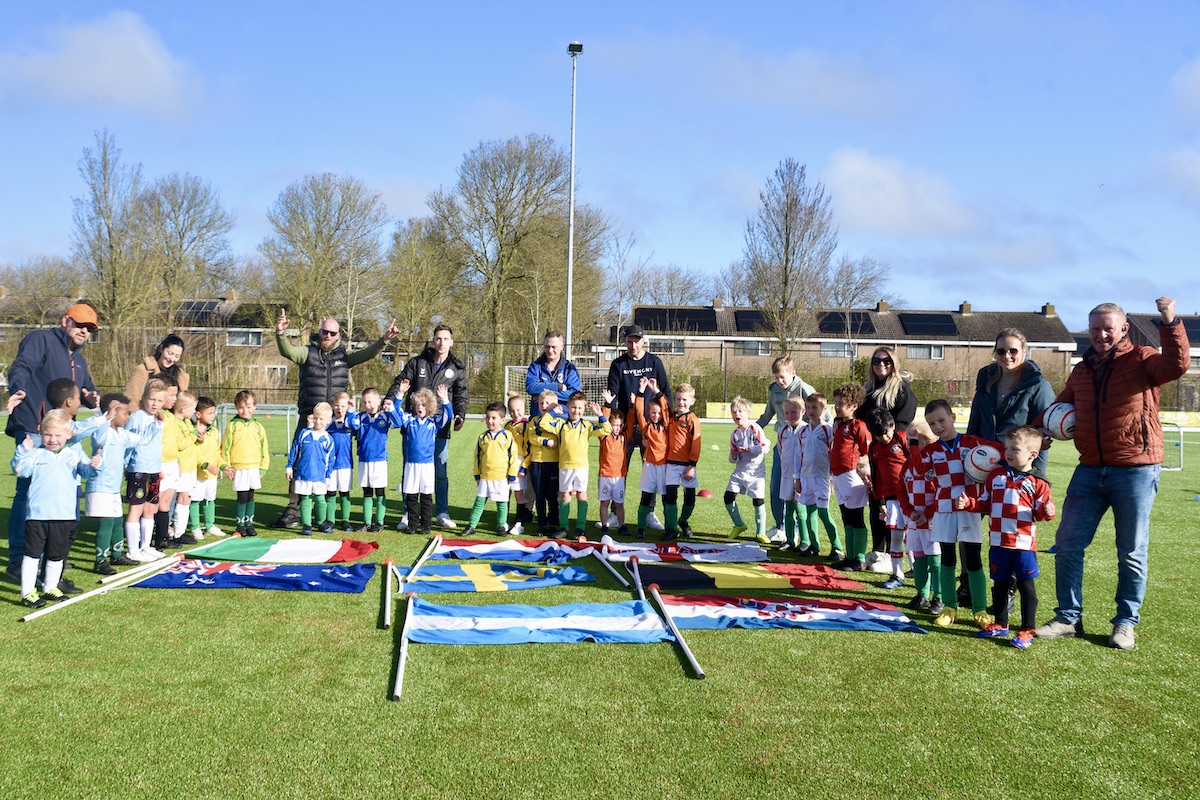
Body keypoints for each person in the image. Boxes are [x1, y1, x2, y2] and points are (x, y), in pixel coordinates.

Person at [1035, 297, 1188, 650]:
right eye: (1095, 329)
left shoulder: (1143, 359)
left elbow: (1177, 365)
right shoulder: (1082, 370)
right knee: (1068, 545)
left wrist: (1169, 322)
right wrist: (1039, 429)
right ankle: (1068, 618)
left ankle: (1125, 623)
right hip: (1089, 469)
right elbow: (1060, 405)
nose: (1101, 334)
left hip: (1136, 469)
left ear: (1124, 329)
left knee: (1130, 551)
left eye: (1108, 328)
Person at [274, 309, 399, 528]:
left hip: (334, 420)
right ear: (319, 332)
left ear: (338, 335)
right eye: (325, 332)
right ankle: (293, 511)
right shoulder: (307, 353)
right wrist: (281, 334)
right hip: (310, 418)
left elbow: (367, 353)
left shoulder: (344, 356)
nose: (328, 336)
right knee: (302, 462)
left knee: (331, 463)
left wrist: (384, 341)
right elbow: (288, 351)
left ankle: (323, 510)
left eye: (332, 333)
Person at [5, 303, 100, 578]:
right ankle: (19, 558)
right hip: (36, 430)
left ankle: (52, 555)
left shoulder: (79, 360)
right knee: (28, 492)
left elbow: (85, 388)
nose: (84, 331)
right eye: (80, 325)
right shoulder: (41, 340)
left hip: (65, 434)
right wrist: (18, 388)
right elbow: (22, 366)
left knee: (64, 489)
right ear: (65, 321)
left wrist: (91, 396)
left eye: (90, 329)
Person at [956, 426, 1056, 649]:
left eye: (1015, 449)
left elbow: (1041, 512)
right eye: (1007, 448)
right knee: (999, 584)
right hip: (998, 542)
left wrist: (1048, 511)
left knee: (1026, 587)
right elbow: (985, 502)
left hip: (1023, 545)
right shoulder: (996, 475)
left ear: (1032, 454)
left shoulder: (1037, 481)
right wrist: (970, 503)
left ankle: (1027, 629)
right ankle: (1001, 623)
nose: (1008, 452)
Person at [917, 399, 1002, 629]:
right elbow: (921, 470)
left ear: (953, 417)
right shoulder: (931, 451)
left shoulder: (972, 443)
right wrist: (918, 446)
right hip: (944, 509)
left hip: (968, 508)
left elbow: (1000, 452)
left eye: (941, 420)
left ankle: (980, 610)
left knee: (973, 559)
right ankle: (949, 607)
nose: (938, 427)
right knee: (947, 558)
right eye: (932, 424)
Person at [11, 410, 100, 608]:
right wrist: (22, 451)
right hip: (37, 516)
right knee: (32, 555)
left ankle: (50, 587)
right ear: (40, 432)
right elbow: (20, 470)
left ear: (69, 434)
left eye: (58, 435)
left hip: (64, 515)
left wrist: (95, 466)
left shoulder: (74, 453)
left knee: (56, 554)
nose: (53, 439)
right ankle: (27, 592)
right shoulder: (35, 454)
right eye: (48, 434)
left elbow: (88, 473)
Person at [386, 323, 467, 530]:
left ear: (451, 342)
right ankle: (408, 513)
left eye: (446, 339)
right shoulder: (417, 362)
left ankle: (441, 512)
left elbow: (460, 395)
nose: (441, 342)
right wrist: (390, 399)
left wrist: (460, 415)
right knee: (409, 470)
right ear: (433, 340)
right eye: (438, 338)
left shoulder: (457, 368)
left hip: (438, 427)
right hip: (414, 429)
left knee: (439, 471)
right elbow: (400, 382)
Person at [856, 346, 919, 573]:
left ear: (894, 363)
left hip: (894, 455)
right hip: (874, 452)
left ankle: (901, 557)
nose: (881, 365)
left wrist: (889, 441)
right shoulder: (868, 389)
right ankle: (879, 550)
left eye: (886, 361)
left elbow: (903, 423)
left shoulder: (901, 388)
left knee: (896, 507)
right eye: (876, 361)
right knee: (876, 501)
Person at [606, 324, 672, 530]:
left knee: (651, 471)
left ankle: (650, 513)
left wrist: (668, 419)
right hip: (625, 426)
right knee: (618, 469)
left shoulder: (654, 362)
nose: (633, 345)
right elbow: (612, 395)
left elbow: (665, 391)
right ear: (625, 342)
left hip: (650, 428)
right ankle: (615, 513)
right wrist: (612, 424)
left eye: (637, 341)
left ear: (643, 341)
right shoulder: (618, 364)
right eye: (629, 341)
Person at [967, 328, 1056, 477]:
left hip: (1017, 468)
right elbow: (974, 426)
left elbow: (1041, 438)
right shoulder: (985, 382)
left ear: (1024, 351)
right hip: (983, 463)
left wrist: (1037, 476)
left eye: (1013, 351)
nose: (1007, 356)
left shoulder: (1039, 386)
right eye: (1001, 351)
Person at [757, 356, 819, 542]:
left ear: (793, 373)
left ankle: (799, 529)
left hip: (803, 445)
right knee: (776, 486)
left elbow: (821, 414)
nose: (779, 381)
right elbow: (767, 415)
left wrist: (818, 437)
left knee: (799, 488)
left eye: (782, 377)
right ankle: (780, 526)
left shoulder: (805, 389)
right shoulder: (774, 391)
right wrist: (752, 429)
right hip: (782, 445)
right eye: (776, 377)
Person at [389, 384, 452, 537]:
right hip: (411, 465)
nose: (420, 407)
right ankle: (412, 524)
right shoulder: (409, 420)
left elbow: (448, 416)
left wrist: (445, 399)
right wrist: (399, 394)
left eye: (423, 405)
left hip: (427, 465)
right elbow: (396, 415)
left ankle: (426, 525)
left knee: (426, 497)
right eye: (417, 405)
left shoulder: (433, 422)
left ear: (429, 407)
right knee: (411, 496)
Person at [547, 392, 610, 538]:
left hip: (581, 467)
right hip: (565, 466)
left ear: (585, 409)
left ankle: (580, 528)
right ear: (568, 406)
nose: (576, 411)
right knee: (564, 496)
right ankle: (564, 528)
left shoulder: (587, 425)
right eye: (573, 407)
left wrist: (600, 414)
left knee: (581, 494)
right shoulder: (561, 424)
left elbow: (607, 430)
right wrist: (553, 412)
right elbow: (543, 423)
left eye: (580, 408)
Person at [829, 383, 873, 571]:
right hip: (838, 475)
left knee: (856, 517)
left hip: (851, 475)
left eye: (841, 404)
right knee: (846, 517)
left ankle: (859, 559)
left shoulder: (858, 426)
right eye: (836, 403)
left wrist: (863, 470)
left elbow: (867, 451)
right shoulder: (838, 424)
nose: (837, 407)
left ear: (854, 406)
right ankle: (849, 556)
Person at [865, 409, 910, 589]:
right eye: (878, 435)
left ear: (892, 426)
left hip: (910, 497)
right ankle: (897, 574)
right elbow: (876, 476)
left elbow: (915, 463)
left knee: (912, 538)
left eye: (885, 433)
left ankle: (918, 570)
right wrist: (880, 502)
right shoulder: (873, 448)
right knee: (896, 536)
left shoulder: (902, 438)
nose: (883, 438)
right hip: (891, 499)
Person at [124, 380, 168, 561]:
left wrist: (159, 468)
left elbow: (155, 445)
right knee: (136, 509)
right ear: (143, 398)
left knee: (150, 509)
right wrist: (126, 466)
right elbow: (128, 442)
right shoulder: (137, 418)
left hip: (153, 469)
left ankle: (145, 546)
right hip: (139, 469)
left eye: (159, 400)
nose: (155, 404)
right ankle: (132, 550)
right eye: (152, 399)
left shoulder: (159, 419)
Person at [464, 402, 520, 536]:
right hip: (485, 476)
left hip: (502, 476)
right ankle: (471, 525)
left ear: (502, 419)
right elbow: (477, 456)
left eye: (494, 418)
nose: (490, 421)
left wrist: (512, 474)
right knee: (479, 502)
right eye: (488, 417)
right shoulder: (483, 437)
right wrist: (477, 474)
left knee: (502, 503)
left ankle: (501, 526)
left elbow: (513, 456)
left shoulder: (507, 436)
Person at [797, 394, 843, 561]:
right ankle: (814, 545)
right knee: (810, 512)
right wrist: (797, 477)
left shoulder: (827, 430)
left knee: (823, 512)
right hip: (806, 476)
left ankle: (837, 547)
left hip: (822, 477)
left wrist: (831, 478)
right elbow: (798, 455)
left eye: (815, 407)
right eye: (808, 407)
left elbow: (833, 454)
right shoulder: (802, 431)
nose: (811, 411)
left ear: (824, 409)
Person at [221, 390, 270, 537]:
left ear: (254, 406)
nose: (245, 411)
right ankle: (240, 524)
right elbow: (225, 448)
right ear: (236, 407)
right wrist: (227, 466)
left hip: (254, 467)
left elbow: (264, 448)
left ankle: (249, 523)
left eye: (248, 407)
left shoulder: (258, 426)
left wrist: (263, 468)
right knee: (242, 496)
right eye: (241, 407)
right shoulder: (232, 426)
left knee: (251, 496)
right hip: (239, 468)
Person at [349, 388, 399, 532]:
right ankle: (367, 522)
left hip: (379, 460)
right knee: (367, 491)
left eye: (370, 402)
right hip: (364, 459)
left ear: (378, 401)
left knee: (380, 491)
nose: (367, 405)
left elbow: (398, 423)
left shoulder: (385, 416)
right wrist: (351, 410)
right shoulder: (360, 417)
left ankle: (379, 522)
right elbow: (352, 425)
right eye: (364, 402)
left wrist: (392, 408)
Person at [724, 395, 770, 543]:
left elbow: (764, 447)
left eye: (740, 411)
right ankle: (739, 525)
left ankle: (760, 533)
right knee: (728, 497)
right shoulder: (734, 434)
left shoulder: (755, 428)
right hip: (739, 472)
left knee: (758, 501)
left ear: (748, 413)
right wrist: (734, 455)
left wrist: (750, 449)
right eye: (734, 412)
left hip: (756, 472)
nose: (736, 414)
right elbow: (732, 459)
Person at [286, 402, 335, 536]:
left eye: (321, 419)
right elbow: (294, 450)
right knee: (306, 499)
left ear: (328, 420)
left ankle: (321, 522)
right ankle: (307, 525)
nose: (318, 421)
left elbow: (330, 461)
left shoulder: (328, 439)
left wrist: (327, 477)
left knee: (320, 500)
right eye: (316, 418)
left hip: (319, 476)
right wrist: (289, 467)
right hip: (303, 474)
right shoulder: (304, 433)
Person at [634, 378, 672, 540]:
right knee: (646, 496)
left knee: (666, 498)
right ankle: (641, 528)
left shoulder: (667, 425)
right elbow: (638, 410)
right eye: (653, 412)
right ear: (649, 412)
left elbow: (666, 406)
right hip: (649, 465)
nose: (656, 415)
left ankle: (670, 527)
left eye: (658, 413)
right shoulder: (646, 426)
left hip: (664, 466)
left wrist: (655, 389)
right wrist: (642, 390)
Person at [663, 383, 702, 541]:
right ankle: (672, 529)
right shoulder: (671, 417)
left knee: (690, 499)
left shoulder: (692, 420)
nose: (681, 402)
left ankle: (683, 521)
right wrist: (655, 389)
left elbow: (696, 444)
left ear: (692, 401)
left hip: (688, 465)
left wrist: (692, 465)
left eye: (685, 399)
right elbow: (663, 403)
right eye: (678, 399)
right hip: (671, 464)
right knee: (670, 496)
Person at [190, 397, 225, 539]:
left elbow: (217, 453)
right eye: (209, 413)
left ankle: (209, 526)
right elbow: (192, 454)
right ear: (198, 414)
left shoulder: (214, 431)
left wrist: (224, 466)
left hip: (211, 475)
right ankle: (195, 528)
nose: (213, 416)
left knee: (210, 499)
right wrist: (205, 465)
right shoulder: (193, 432)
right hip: (197, 475)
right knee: (195, 500)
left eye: (213, 413)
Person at [775, 396, 806, 551]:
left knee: (801, 509)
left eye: (794, 412)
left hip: (803, 476)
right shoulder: (782, 431)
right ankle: (789, 540)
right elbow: (781, 451)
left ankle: (805, 540)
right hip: (787, 475)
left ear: (803, 411)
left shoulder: (806, 430)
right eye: (787, 413)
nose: (790, 416)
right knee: (788, 509)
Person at [596, 403, 630, 537]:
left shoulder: (623, 437)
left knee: (619, 504)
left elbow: (632, 420)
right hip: (605, 475)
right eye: (614, 425)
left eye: (619, 425)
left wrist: (633, 404)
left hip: (619, 476)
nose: (617, 428)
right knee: (604, 502)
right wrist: (607, 405)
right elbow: (603, 421)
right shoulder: (604, 436)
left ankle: (622, 525)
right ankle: (604, 526)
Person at [123, 334, 189, 402]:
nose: (172, 359)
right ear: (161, 348)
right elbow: (131, 399)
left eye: (177, 356)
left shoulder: (180, 375)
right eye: (170, 353)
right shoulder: (142, 370)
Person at [326, 392, 357, 532]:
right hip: (331, 465)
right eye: (337, 405)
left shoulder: (350, 422)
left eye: (343, 406)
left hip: (345, 464)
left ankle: (345, 521)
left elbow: (355, 426)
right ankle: (330, 520)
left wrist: (351, 410)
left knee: (344, 493)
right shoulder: (328, 423)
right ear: (333, 406)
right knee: (330, 493)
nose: (340, 408)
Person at [525, 330, 581, 407]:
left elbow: (574, 394)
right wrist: (558, 387)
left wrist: (545, 397)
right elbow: (531, 387)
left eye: (553, 347)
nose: (550, 350)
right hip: (540, 414)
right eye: (547, 347)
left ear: (562, 346)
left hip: (562, 413)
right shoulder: (535, 366)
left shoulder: (570, 369)